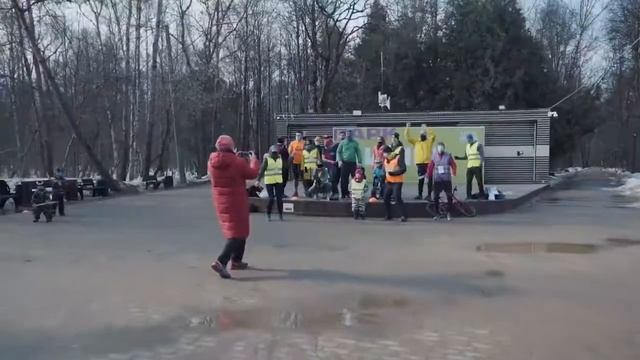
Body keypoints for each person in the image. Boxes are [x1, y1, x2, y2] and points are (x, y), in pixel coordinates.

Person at [208, 135, 260, 279]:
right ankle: (221, 261)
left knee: (238, 230)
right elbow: (252, 173)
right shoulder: (238, 162)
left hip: (221, 202)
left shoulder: (212, 162)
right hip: (237, 201)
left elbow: (227, 166)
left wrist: (235, 158)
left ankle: (237, 260)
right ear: (232, 146)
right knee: (236, 234)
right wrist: (254, 160)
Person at [405, 123, 436, 200]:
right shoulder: (416, 142)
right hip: (419, 164)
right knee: (420, 180)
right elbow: (407, 137)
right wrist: (407, 128)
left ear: (426, 134)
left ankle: (429, 195)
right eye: (421, 134)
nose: (423, 135)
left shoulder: (429, 141)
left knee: (430, 179)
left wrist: (426, 128)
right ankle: (420, 195)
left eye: (424, 133)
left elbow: (434, 135)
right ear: (419, 135)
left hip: (428, 163)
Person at [428, 142, 458, 221]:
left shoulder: (448, 155)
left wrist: (454, 173)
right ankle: (437, 214)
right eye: (439, 147)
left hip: (446, 179)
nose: (440, 149)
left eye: (442, 147)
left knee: (449, 197)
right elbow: (431, 166)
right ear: (437, 148)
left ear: (444, 148)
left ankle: (448, 213)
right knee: (435, 197)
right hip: (437, 179)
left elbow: (453, 164)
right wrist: (429, 175)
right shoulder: (434, 156)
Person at [256, 145, 285, 221]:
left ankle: (280, 214)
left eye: (276, 152)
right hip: (269, 181)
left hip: (278, 181)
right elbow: (262, 170)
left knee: (279, 199)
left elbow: (284, 169)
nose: (275, 154)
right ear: (270, 152)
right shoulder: (267, 159)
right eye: (273, 153)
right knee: (271, 198)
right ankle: (268, 214)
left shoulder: (280, 159)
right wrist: (258, 180)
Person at [455, 134, 485, 199]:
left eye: (469, 139)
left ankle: (482, 195)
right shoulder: (467, 146)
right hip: (469, 167)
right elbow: (466, 157)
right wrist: (459, 158)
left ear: (472, 139)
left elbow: (482, 155)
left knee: (479, 181)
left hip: (477, 166)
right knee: (468, 182)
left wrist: (481, 163)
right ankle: (469, 195)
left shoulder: (478, 145)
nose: (468, 140)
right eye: (467, 139)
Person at [382, 145, 408, 222]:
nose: (384, 155)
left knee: (397, 198)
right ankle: (388, 215)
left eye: (384, 153)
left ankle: (403, 215)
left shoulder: (398, 158)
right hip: (388, 182)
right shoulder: (385, 160)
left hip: (397, 182)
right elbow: (385, 170)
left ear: (389, 153)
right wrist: (383, 176)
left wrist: (394, 173)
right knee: (386, 198)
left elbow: (403, 169)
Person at [336, 129, 362, 199]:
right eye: (347, 133)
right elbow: (338, 152)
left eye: (350, 133)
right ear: (346, 134)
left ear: (352, 135)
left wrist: (359, 161)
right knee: (344, 179)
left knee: (355, 178)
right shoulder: (342, 143)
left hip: (353, 163)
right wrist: (339, 161)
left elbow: (358, 152)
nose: (348, 135)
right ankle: (344, 194)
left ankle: (355, 193)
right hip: (344, 163)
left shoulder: (355, 143)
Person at [287, 132, 305, 198]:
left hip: (303, 163)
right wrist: (291, 155)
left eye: (299, 135)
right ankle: (295, 191)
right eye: (296, 135)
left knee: (304, 177)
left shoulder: (304, 143)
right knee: (296, 178)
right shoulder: (292, 143)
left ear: (302, 136)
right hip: (294, 163)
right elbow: (289, 152)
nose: (298, 136)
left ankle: (306, 191)